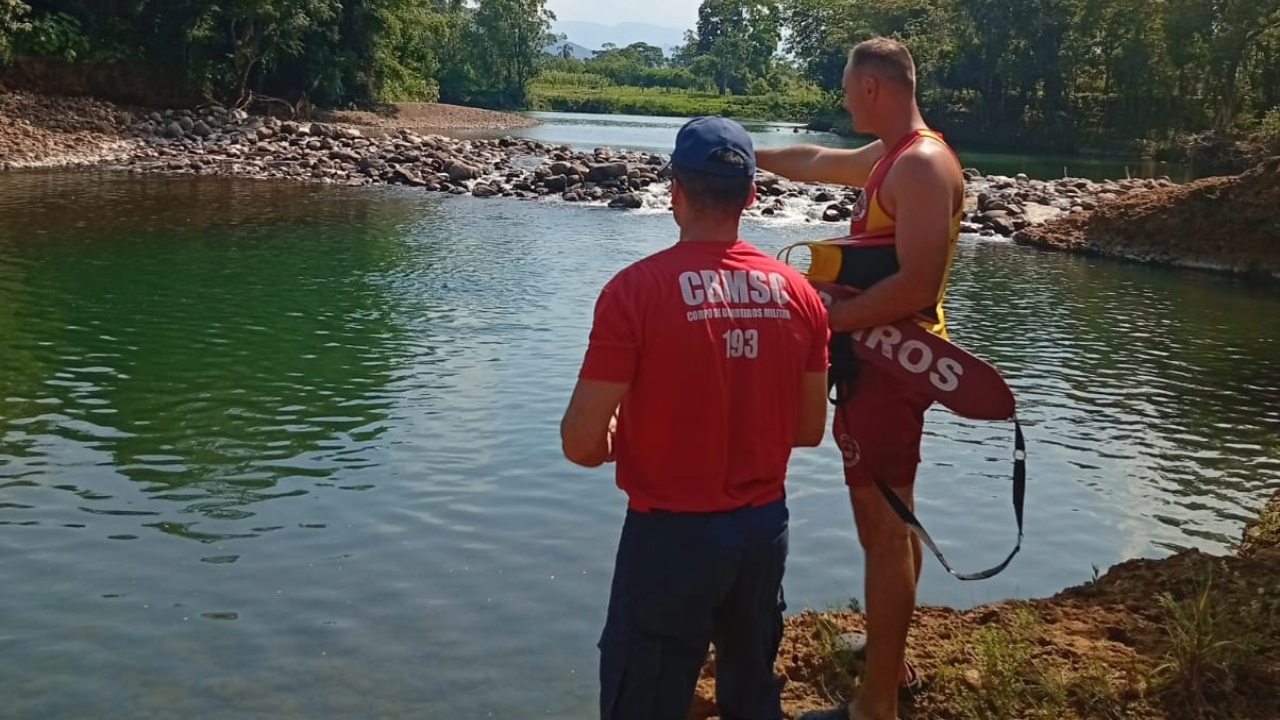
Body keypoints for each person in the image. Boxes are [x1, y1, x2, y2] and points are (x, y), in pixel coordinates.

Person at [559, 115, 831, 720]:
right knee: (751, 690)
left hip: (669, 539)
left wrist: (614, 438)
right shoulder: (799, 293)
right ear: (752, 196)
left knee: (645, 697)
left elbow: (580, 442)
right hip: (762, 532)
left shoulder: (634, 291)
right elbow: (809, 430)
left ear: (675, 192)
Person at [753, 38, 967, 720]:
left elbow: (917, 285)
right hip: (877, 363)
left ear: (872, 87)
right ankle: (891, 663)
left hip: (892, 369)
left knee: (881, 531)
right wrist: (744, 150)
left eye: (848, 88)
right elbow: (815, 163)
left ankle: (875, 706)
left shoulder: (924, 166)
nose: (843, 100)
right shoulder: (891, 157)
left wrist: (827, 319)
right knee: (895, 524)